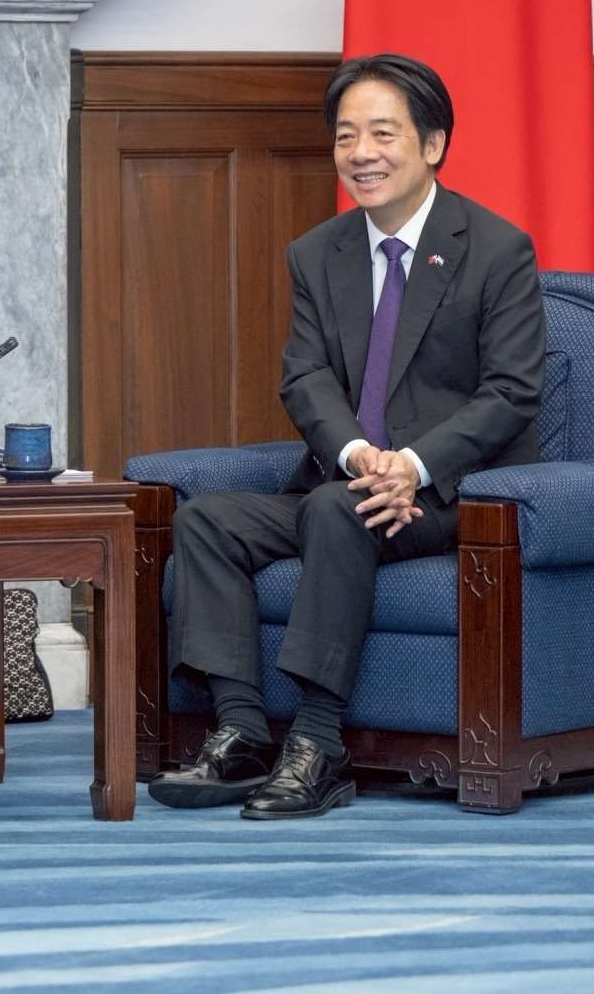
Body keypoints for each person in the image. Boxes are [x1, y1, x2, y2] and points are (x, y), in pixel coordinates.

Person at [146, 53, 544, 820]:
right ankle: (241, 731)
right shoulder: (318, 252)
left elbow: (512, 391)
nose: (361, 152)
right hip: (349, 479)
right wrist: (362, 456)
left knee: (340, 509)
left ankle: (319, 743)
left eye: (382, 133)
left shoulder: (496, 249)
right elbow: (305, 379)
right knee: (206, 520)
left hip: (458, 496)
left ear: (432, 143)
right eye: (346, 136)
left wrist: (415, 468)